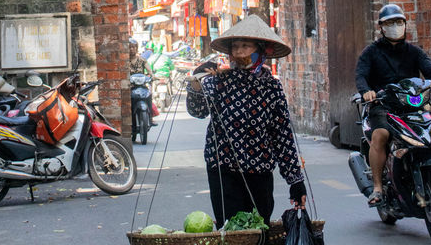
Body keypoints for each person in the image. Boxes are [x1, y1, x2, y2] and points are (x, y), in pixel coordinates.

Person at [186, 14, 306, 228]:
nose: (239, 52)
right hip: (223, 168)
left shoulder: (271, 87)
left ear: (261, 50)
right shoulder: (219, 81)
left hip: (259, 170)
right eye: (235, 47)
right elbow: (198, 111)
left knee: (259, 227)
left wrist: (295, 180)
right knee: (232, 230)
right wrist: (197, 83)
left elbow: (282, 135)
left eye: (245, 46)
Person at [355, 3, 431, 207]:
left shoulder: (414, 51)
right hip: (383, 106)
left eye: (398, 22)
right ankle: (377, 187)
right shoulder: (371, 52)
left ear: (405, 24)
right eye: (390, 23)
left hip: (414, 104)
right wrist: (366, 91)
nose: (395, 26)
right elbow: (361, 75)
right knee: (381, 135)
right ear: (381, 27)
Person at [129, 38, 157, 126]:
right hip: (130, 86)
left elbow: (149, 69)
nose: (132, 49)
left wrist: (152, 75)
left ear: (136, 48)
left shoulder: (142, 60)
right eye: (130, 47)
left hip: (141, 86)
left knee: (148, 95)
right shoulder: (124, 61)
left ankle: (150, 118)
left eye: (133, 47)